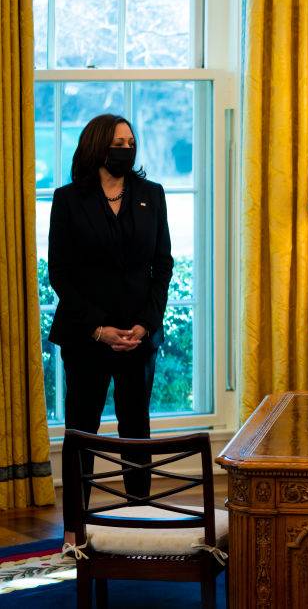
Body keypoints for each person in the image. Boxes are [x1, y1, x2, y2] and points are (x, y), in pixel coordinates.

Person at [47, 114, 172, 541]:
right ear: (99, 146)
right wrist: (98, 328)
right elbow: (60, 274)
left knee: (136, 426)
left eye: (132, 141)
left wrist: (145, 324)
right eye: (120, 141)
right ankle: (74, 530)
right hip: (87, 336)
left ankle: (142, 521)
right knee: (82, 430)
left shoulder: (151, 195)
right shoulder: (68, 200)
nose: (127, 148)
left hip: (138, 337)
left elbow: (163, 265)